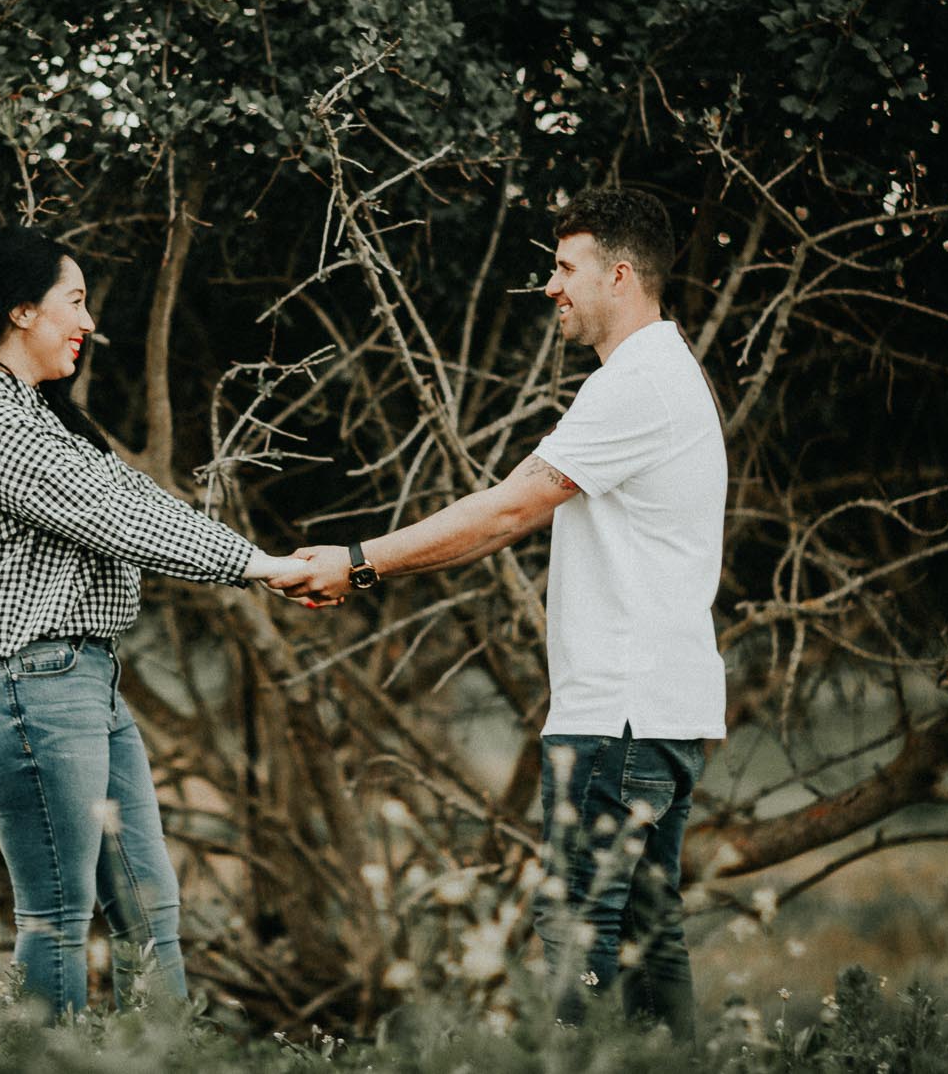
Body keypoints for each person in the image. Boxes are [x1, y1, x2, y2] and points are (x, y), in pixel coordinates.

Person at [270, 187, 727, 1038]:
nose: (550, 287)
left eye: (564, 269)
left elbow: (509, 511)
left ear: (619, 275)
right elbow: (515, 492)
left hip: (617, 721)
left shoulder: (640, 382)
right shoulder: (656, 377)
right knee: (647, 952)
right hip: (656, 717)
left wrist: (361, 562)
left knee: (577, 951)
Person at [0, 225, 308, 1018]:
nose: (88, 322)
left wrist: (256, 558)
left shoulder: (35, 418)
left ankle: (164, 1056)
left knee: (148, 905)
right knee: (58, 919)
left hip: (80, 679)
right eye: (76, 303)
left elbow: (137, 500)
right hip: (23, 680)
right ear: (21, 311)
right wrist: (256, 566)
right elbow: (114, 518)